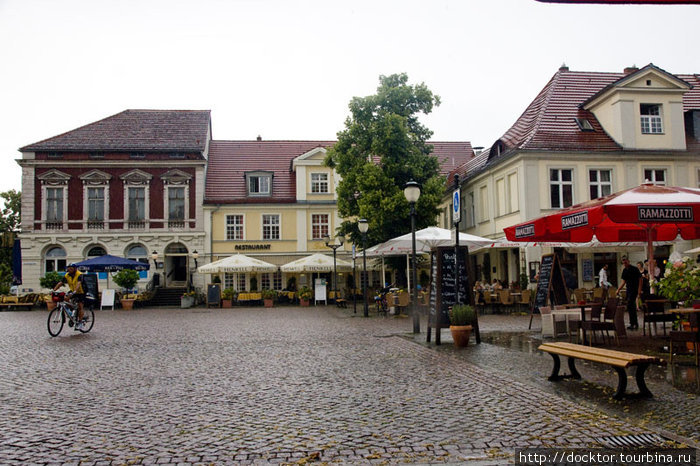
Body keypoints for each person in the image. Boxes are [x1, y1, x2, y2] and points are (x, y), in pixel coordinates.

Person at [53, 263, 86, 330]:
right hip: (72, 290)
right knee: (65, 298)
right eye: (68, 268)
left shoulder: (79, 274)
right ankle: (72, 312)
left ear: (75, 269)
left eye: (71, 268)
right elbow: (61, 283)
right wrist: (54, 290)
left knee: (80, 306)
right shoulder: (67, 275)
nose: (69, 270)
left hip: (81, 291)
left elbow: (79, 283)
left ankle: (80, 322)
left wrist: (75, 291)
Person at [619, 256, 641, 330]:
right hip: (629, 289)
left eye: (625, 262)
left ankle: (634, 323)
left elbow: (640, 279)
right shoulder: (625, 270)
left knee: (631, 305)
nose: (624, 263)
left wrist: (639, 290)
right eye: (623, 262)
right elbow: (624, 281)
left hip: (634, 289)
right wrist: (619, 289)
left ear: (628, 261)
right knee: (630, 306)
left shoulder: (634, 269)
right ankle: (633, 323)